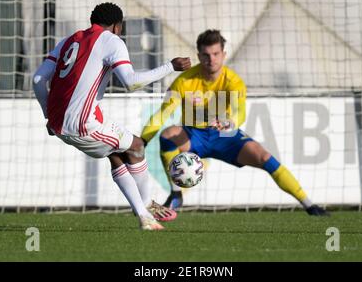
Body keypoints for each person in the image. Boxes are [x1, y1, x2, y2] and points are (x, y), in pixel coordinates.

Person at [33, 2, 192, 230]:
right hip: (82, 124)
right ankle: (146, 205)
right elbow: (131, 82)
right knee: (136, 145)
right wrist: (170, 66)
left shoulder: (69, 40)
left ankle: (144, 216)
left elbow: (38, 79)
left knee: (116, 155)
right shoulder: (112, 41)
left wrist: (49, 115)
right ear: (118, 27)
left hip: (60, 123)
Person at [141, 29, 329, 216]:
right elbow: (161, 115)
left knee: (265, 158)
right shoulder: (184, 81)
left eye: (215, 54)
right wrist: (143, 141)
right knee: (168, 135)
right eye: (206, 55)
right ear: (199, 56)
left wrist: (230, 123)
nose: (211, 59)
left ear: (223, 55)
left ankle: (310, 205)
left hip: (225, 135)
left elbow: (240, 113)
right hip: (193, 136)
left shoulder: (233, 81)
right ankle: (176, 194)